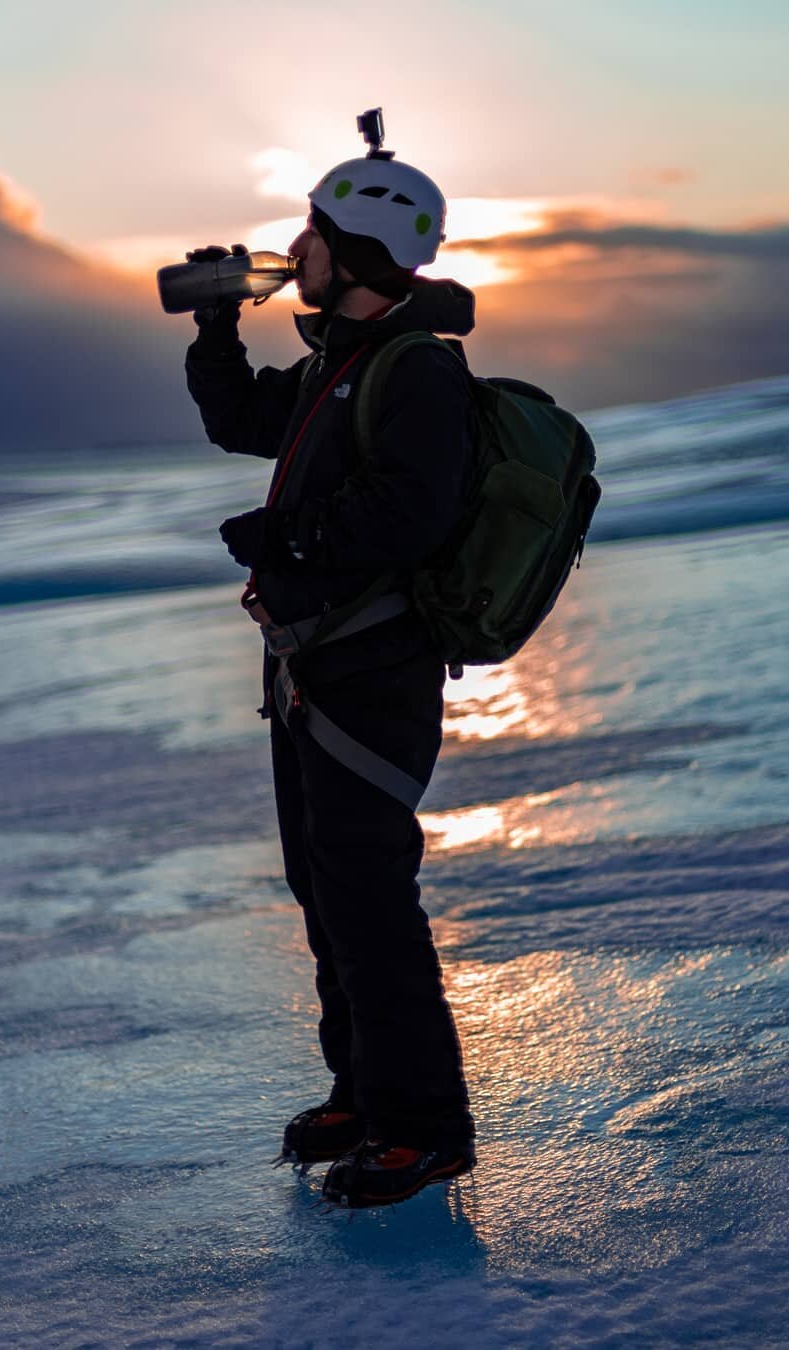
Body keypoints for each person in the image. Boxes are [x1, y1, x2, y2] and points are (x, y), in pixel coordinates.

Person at [184, 138, 477, 1208]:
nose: (295, 249)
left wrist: (288, 539)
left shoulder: (416, 369)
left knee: (368, 901)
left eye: (313, 230)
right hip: (310, 671)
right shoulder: (335, 367)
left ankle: (425, 1131)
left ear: (359, 248)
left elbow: (411, 510)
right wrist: (218, 323)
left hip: (372, 676)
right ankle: (362, 1093)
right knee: (327, 892)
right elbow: (237, 421)